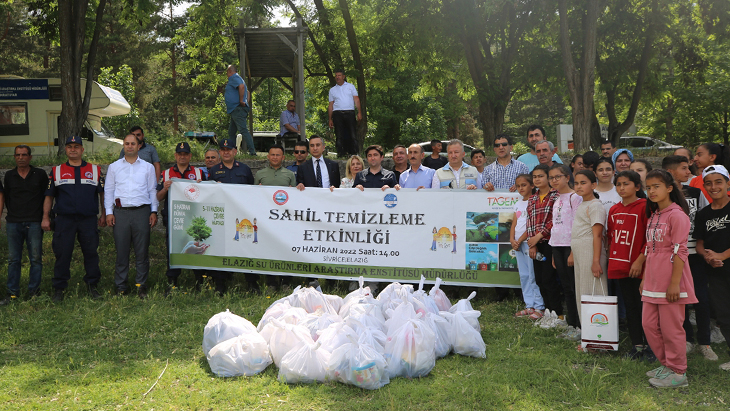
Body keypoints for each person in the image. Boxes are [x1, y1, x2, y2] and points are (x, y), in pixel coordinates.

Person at [642, 169, 696, 388]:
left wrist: (675, 283)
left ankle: (678, 372)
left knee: (671, 327)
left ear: (669, 188)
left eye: (656, 186)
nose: (652, 191)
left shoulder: (677, 215)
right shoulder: (654, 214)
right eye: (648, 187)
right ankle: (666, 365)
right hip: (653, 278)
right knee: (649, 324)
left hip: (671, 279)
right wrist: (644, 278)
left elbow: (680, 251)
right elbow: (649, 249)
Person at [42, 135, 105, 302]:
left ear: (82, 150)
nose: (73, 149)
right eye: (69, 146)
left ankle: (93, 286)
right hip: (64, 220)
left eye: (76, 146)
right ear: (65, 149)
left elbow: (102, 195)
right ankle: (59, 289)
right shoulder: (56, 171)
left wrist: (104, 214)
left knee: (91, 253)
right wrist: (45, 217)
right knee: (62, 254)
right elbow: (49, 196)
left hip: (88, 220)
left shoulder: (95, 170)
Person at [664, 156, 715, 361]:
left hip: (695, 254)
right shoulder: (664, 197)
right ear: (671, 172)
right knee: (679, 300)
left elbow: (704, 220)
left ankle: (705, 343)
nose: (689, 171)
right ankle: (686, 340)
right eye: (684, 168)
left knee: (701, 298)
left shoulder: (695, 193)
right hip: (673, 256)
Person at [105, 134, 158, 299]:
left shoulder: (148, 167)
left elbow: (152, 190)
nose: (129, 146)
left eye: (133, 144)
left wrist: (153, 211)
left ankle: (141, 286)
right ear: (123, 145)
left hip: (141, 212)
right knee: (122, 252)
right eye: (126, 143)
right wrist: (108, 212)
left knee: (142, 252)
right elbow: (109, 191)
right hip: (120, 213)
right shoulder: (114, 167)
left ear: (138, 146)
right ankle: (121, 287)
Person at [607, 171, 650, 360]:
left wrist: (640, 260)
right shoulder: (614, 210)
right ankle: (637, 346)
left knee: (645, 309)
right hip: (621, 267)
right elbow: (611, 238)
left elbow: (650, 239)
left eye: (626, 184)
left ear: (637, 187)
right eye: (618, 184)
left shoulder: (645, 207)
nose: (622, 188)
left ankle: (651, 346)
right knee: (631, 307)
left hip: (641, 267)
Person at [0, 145, 49, 305]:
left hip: (34, 222)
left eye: (24, 155)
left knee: (35, 258)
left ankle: (34, 292)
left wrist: (45, 217)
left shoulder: (39, 174)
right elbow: (6, 197)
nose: (21, 158)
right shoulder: (9, 175)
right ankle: (12, 293)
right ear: (14, 157)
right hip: (13, 223)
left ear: (30, 157)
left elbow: (46, 197)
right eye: (18, 155)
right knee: (14, 259)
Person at [156, 142, 206, 296]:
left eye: (185, 154)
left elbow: (209, 195)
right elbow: (158, 197)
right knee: (174, 248)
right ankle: (172, 283)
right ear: (175, 156)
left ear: (190, 156)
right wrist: (165, 188)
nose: (182, 156)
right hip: (174, 218)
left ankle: (199, 283)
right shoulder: (166, 173)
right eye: (180, 154)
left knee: (197, 248)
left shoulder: (199, 173)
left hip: (195, 218)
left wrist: (203, 186)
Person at [208, 138, 257, 294]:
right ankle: (220, 284)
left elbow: (252, 191)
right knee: (221, 248)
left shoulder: (244, 169)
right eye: (223, 150)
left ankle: (251, 283)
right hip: (222, 216)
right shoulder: (214, 171)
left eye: (229, 149)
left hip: (242, 215)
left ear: (235, 151)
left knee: (246, 247)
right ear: (220, 152)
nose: (226, 152)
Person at [695, 165, 730, 371]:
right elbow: (699, 243)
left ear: (727, 183)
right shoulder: (704, 214)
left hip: (725, 261)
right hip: (715, 272)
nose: (713, 186)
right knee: (724, 315)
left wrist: (722, 255)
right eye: (708, 183)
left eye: (718, 182)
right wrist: (708, 257)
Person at [572, 170, 609, 347]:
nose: (579, 186)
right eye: (576, 182)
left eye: (583, 182)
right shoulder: (582, 204)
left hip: (590, 250)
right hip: (580, 250)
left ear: (593, 185)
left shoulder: (595, 205)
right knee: (582, 293)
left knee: (592, 293)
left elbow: (597, 235)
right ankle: (588, 336)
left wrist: (596, 261)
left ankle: (597, 339)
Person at [254, 144, 296, 291]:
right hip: (266, 219)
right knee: (268, 250)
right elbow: (253, 195)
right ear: (268, 156)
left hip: (285, 220)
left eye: (278, 155)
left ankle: (286, 282)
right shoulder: (260, 174)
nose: (275, 157)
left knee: (286, 249)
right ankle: (271, 282)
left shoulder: (290, 175)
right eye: (272, 154)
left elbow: (296, 198)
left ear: (283, 157)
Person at [548, 164, 583, 339]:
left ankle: (580, 326)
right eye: (551, 178)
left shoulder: (575, 197)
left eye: (557, 177)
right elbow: (556, 225)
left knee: (574, 287)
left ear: (567, 177)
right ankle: (572, 324)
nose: (554, 180)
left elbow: (577, 224)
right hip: (557, 246)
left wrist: (573, 251)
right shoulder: (555, 198)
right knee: (566, 287)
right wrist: (555, 252)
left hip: (571, 246)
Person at [527, 164, 562, 319]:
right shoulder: (533, 198)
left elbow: (555, 220)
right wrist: (533, 243)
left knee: (549, 278)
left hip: (550, 243)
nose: (537, 179)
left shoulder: (556, 196)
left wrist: (540, 236)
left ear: (548, 178)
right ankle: (547, 312)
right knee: (540, 279)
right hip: (536, 246)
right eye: (535, 176)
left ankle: (557, 312)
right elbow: (529, 222)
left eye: (540, 176)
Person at [511, 174, 545, 319]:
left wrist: (521, 239)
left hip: (529, 243)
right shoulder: (518, 203)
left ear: (532, 185)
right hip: (518, 244)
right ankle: (529, 305)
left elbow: (532, 225)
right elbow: (514, 223)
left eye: (524, 185)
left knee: (532, 275)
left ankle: (539, 306)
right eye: (518, 186)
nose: (520, 188)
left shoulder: (534, 202)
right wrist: (512, 239)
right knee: (524, 275)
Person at [328, 69, 361, 156]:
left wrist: (359, 112)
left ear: (343, 77)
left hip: (349, 112)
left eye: (339, 75)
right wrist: (330, 119)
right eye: (336, 76)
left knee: (352, 133)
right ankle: (341, 153)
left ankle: (354, 152)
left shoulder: (350, 87)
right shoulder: (332, 90)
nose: (337, 77)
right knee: (339, 134)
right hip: (337, 113)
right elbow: (331, 104)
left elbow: (356, 99)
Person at [225, 64, 256, 155]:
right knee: (231, 132)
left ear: (230, 71)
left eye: (227, 72)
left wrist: (242, 101)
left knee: (243, 130)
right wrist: (246, 102)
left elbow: (241, 87)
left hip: (237, 109)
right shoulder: (238, 78)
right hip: (235, 110)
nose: (227, 74)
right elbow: (248, 92)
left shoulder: (234, 78)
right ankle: (232, 151)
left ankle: (252, 152)